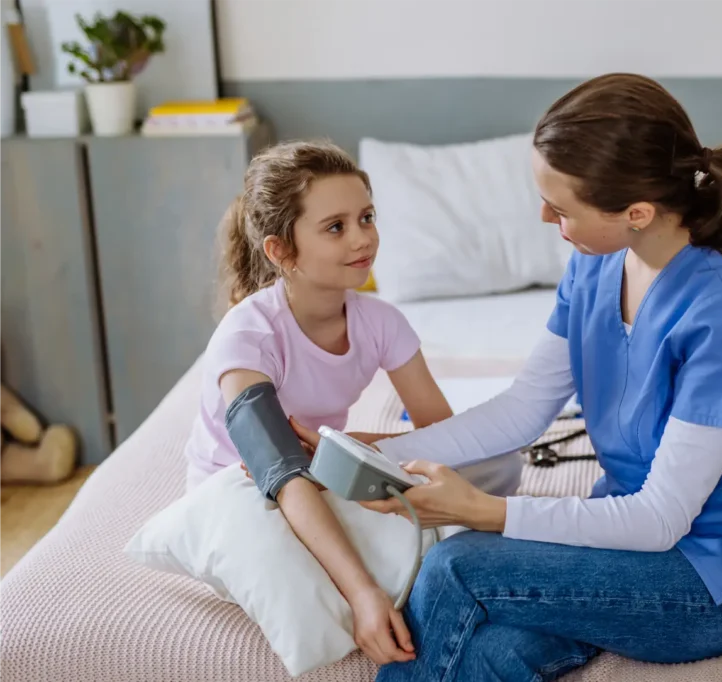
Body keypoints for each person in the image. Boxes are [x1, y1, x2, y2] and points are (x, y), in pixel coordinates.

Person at [293, 73, 722, 681]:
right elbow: (525, 408)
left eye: (561, 206)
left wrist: (483, 510)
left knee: (456, 568)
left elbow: (660, 520)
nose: (544, 215)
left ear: (636, 212)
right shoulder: (595, 268)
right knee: (490, 652)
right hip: (628, 535)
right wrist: (380, 452)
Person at [180, 139, 523, 667]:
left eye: (367, 217)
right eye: (336, 227)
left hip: (323, 468)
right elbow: (281, 475)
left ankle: (401, 549)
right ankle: (381, 566)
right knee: (280, 537)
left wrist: (358, 445)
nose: (364, 238)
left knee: (499, 460)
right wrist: (364, 595)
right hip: (249, 486)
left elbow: (442, 434)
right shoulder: (246, 336)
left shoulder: (380, 321)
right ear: (281, 251)